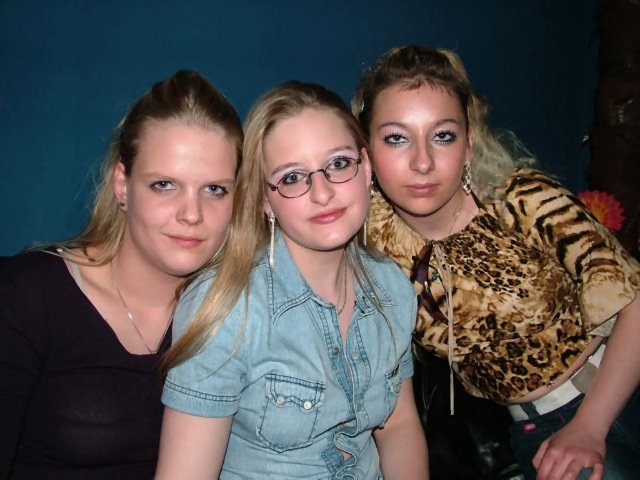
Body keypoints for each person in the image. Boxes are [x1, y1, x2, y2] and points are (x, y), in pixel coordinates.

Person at [352, 45, 640, 480]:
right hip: (538, 428)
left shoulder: (520, 201)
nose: (422, 162)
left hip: (617, 387)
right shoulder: (368, 237)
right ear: (367, 151)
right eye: (396, 138)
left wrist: (589, 426)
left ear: (469, 145)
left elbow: (634, 301)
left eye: (443, 136)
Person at [155, 81, 429, 479]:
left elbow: (399, 426)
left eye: (339, 164)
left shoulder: (392, 289)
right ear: (265, 200)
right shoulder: (228, 308)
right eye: (292, 177)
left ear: (366, 167)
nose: (323, 193)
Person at [0, 70, 243, 479]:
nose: (192, 214)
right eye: (164, 184)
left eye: (214, 189)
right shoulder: (27, 295)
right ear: (122, 185)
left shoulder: (236, 314)